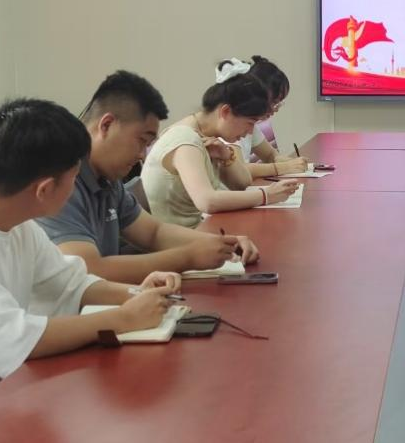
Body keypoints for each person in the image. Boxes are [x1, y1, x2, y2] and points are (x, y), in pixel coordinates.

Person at [0, 99, 180, 398]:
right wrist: (123, 318)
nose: (76, 188)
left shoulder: (20, 226)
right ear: (45, 189)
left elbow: (71, 283)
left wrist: (136, 294)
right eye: (74, 178)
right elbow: (17, 337)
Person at [36, 71, 261, 284]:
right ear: (106, 125)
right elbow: (90, 269)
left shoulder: (107, 177)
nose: (142, 155)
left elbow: (154, 233)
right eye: (142, 140)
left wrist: (221, 243)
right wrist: (188, 257)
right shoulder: (61, 180)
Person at [141, 72, 299, 227]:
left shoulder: (208, 138)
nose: (250, 132)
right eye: (250, 123)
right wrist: (266, 195)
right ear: (225, 112)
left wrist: (227, 157)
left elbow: (242, 183)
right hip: (184, 237)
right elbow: (207, 201)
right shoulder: (184, 139)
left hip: (200, 229)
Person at [215, 57, 308, 177]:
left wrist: (293, 163)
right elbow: (238, 170)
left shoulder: (249, 123)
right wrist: (283, 167)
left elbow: (270, 155)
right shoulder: (233, 121)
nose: (275, 109)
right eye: (274, 102)